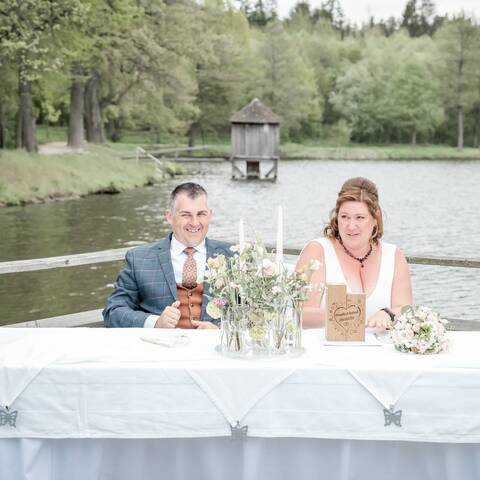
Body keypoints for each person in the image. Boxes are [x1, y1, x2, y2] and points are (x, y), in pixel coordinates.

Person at [103, 182, 232, 329]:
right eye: (185, 215)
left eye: (201, 214)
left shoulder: (232, 256)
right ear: (169, 216)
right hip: (160, 343)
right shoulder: (138, 259)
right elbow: (113, 312)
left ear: (210, 215)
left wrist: (220, 329)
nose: (194, 223)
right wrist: (155, 322)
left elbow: (251, 311)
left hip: (214, 344)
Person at [295, 177, 412, 329]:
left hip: (381, 343)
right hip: (325, 344)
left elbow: (406, 310)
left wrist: (388, 313)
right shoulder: (318, 251)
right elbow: (299, 314)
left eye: (359, 218)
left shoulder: (393, 255)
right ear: (337, 217)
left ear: (375, 219)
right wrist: (341, 315)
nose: (350, 226)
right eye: (344, 217)